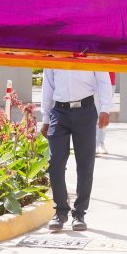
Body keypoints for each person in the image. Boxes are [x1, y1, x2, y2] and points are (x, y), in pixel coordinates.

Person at [40, 69, 113, 232]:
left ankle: (79, 214)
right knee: (55, 162)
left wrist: (105, 109)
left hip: (85, 111)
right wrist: (45, 118)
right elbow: (48, 86)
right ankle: (60, 211)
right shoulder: (53, 56)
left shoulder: (91, 55)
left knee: (85, 164)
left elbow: (103, 80)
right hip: (59, 113)